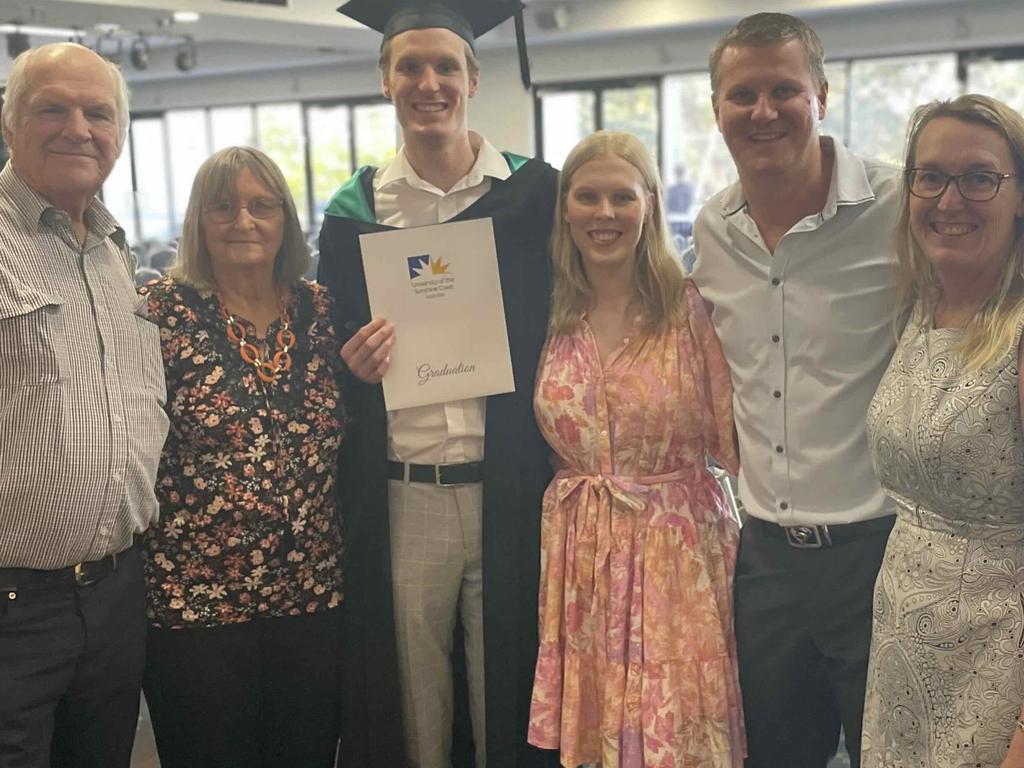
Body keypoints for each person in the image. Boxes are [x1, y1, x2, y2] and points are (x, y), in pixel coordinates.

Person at [317, 1, 559, 766]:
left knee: (510, 688)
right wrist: (349, 363)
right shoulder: (354, 215)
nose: (429, 83)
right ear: (384, 82)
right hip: (404, 491)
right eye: (410, 67)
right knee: (413, 699)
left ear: (474, 78)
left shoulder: (536, 198)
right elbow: (330, 355)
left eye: (445, 66)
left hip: (511, 488)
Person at [689, 12, 901, 767]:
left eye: (785, 89)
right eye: (742, 94)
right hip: (766, 560)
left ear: (822, 93)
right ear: (717, 110)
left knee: (890, 752)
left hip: (879, 553)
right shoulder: (711, 231)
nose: (764, 111)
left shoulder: (901, 208)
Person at [527, 130, 745, 768]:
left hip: (676, 553)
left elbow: (734, 437)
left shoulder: (691, 309)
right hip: (581, 553)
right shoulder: (549, 314)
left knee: (674, 733)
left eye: (622, 197)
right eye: (587, 197)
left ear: (648, 203)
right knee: (599, 734)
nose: (604, 214)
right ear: (565, 207)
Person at [138, 146, 345, 768]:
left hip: (312, 597)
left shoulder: (322, 311)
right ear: (199, 221)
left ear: (286, 219)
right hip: (195, 605)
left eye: (262, 206)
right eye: (223, 207)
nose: (243, 221)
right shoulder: (159, 314)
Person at [0, 43, 169, 767]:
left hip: (115, 593)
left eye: (98, 113)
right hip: (13, 609)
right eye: (52, 109)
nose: (79, 128)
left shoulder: (113, 254)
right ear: (10, 124)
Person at [861, 94, 1024, 768]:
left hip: (997, 666)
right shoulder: (922, 307)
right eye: (930, 176)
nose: (949, 199)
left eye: (980, 177)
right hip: (904, 649)